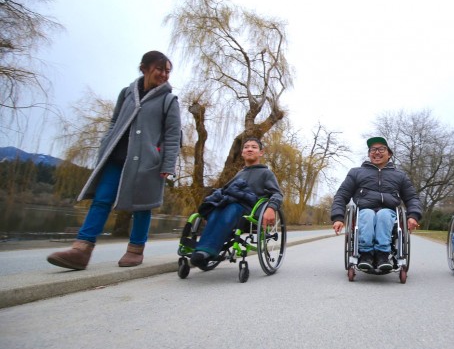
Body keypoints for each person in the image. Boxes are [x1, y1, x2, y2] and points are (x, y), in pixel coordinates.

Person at [47, 51, 181, 270]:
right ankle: (81, 250)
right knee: (101, 199)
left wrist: (167, 164)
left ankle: (135, 250)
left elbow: (173, 135)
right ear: (144, 68)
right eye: (160, 69)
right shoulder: (127, 93)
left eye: (168, 71)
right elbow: (114, 122)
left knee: (142, 206)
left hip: (147, 162)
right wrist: (105, 144)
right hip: (115, 158)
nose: (164, 75)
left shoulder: (168, 100)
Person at [189, 137, 283, 269]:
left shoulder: (266, 173)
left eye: (254, 147)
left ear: (261, 152)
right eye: (246, 147)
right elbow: (226, 190)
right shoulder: (239, 174)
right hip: (231, 205)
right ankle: (205, 250)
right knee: (215, 210)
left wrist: (271, 208)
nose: (249, 149)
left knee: (231, 209)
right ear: (242, 153)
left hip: (249, 209)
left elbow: (277, 194)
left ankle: (206, 250)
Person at [331, 137, 422, 272]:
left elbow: (412, 198)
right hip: (364, 210)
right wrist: (338, 217)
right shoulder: (356, 173)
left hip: (389, 212)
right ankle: (366, 255)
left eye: (381, 149)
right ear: (369, 154)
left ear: (389, 154)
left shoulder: (400, 175)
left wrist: (413, 215)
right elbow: (342, 195)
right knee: (367, 214)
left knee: (384, 214)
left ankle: (382, 255)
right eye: (373, 149)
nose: (377, 152)